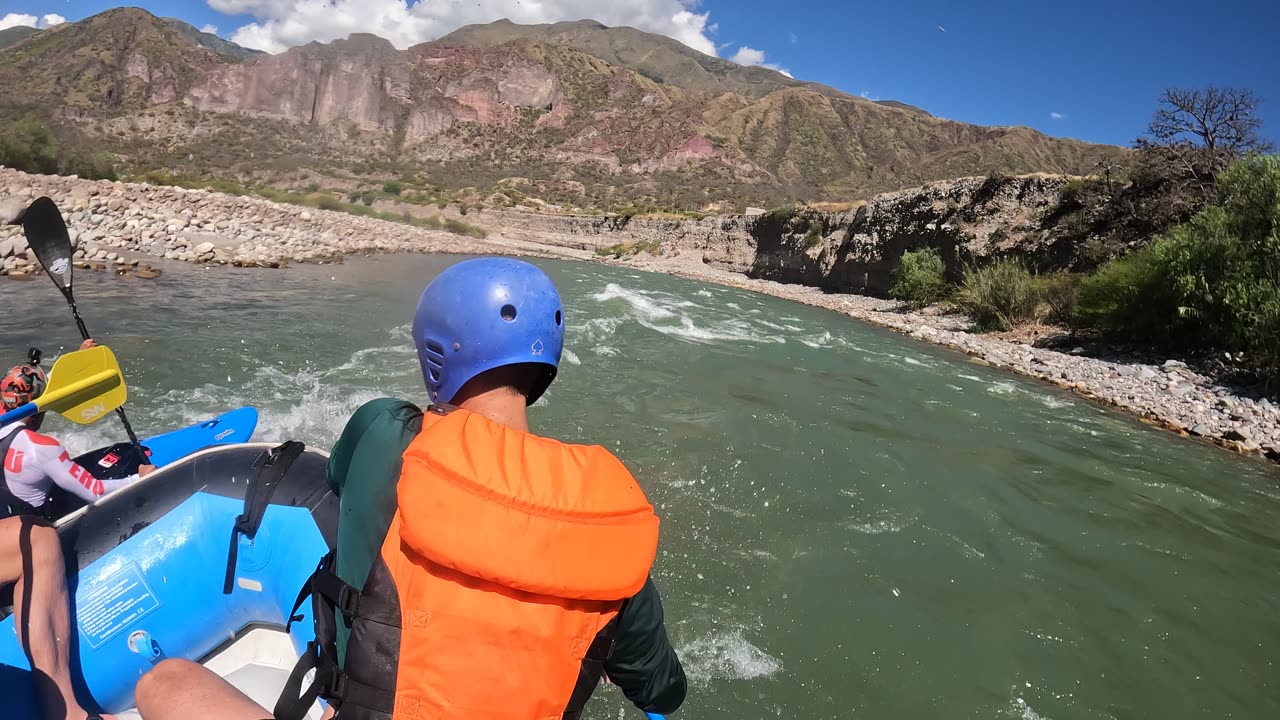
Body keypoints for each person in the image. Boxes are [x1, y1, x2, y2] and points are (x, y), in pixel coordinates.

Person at [135, 258, 686, 719]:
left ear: (436, 354)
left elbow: (333, 478)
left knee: (165, 685)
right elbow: (663, 690)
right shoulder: (606, 523)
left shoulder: (387, 434)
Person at [1, 339, 155, 519]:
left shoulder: (6, 407)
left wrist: (79, 358)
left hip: (7, 523)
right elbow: (93, 491)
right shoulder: (40, 447)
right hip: (40, 525)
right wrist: (139, 478)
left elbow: (34, 390)